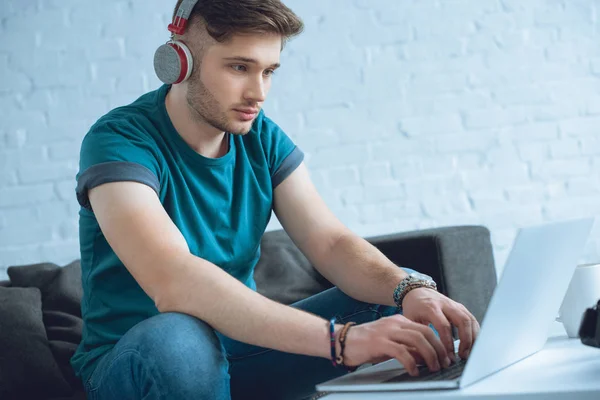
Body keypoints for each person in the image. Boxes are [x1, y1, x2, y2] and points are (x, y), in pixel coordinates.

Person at [70, 0, 480, 399]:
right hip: (142, 363)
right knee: (179, 336)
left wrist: (410, 288)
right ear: (179, 61)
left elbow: (331, 242)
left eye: (269, 71)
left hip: (238, 351)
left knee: (392, 297)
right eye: (239, 67)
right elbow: (174, 280)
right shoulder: (119, 141)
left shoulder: (261, 137)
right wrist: (339, 341)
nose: (258, 92)